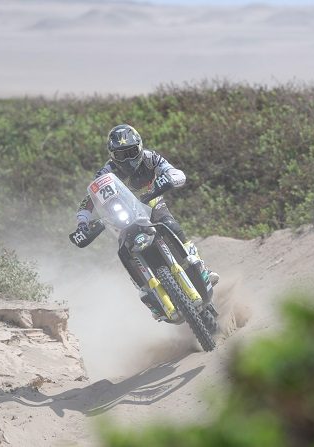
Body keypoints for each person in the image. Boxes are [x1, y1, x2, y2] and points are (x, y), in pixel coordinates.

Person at [74, 124, 219, 320]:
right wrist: (82, 223)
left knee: (170, 224)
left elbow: (176, 172)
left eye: (132, 152)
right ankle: (147, 293)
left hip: (151, 204)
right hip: (123, 219)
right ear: (112, 155)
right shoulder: (104, 174)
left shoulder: (151, 158)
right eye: (121, 154)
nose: (127, 159)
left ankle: (199, 265)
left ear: (140, 147)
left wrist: (167, 179)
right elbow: (87, 201)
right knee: (124, 252)